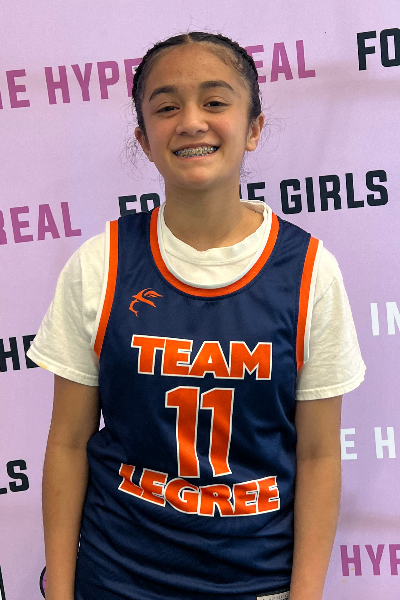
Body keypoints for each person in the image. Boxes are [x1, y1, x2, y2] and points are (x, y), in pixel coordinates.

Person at [27, 32, 366, 600]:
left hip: (255, 581)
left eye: (214, 101)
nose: (190, 122)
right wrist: (61, 592)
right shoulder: (101, 263)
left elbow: (318, 454)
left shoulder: (310, 271)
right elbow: (67, 442)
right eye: (166, 107)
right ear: (144, 139)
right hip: (117, 578)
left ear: (253, 128)